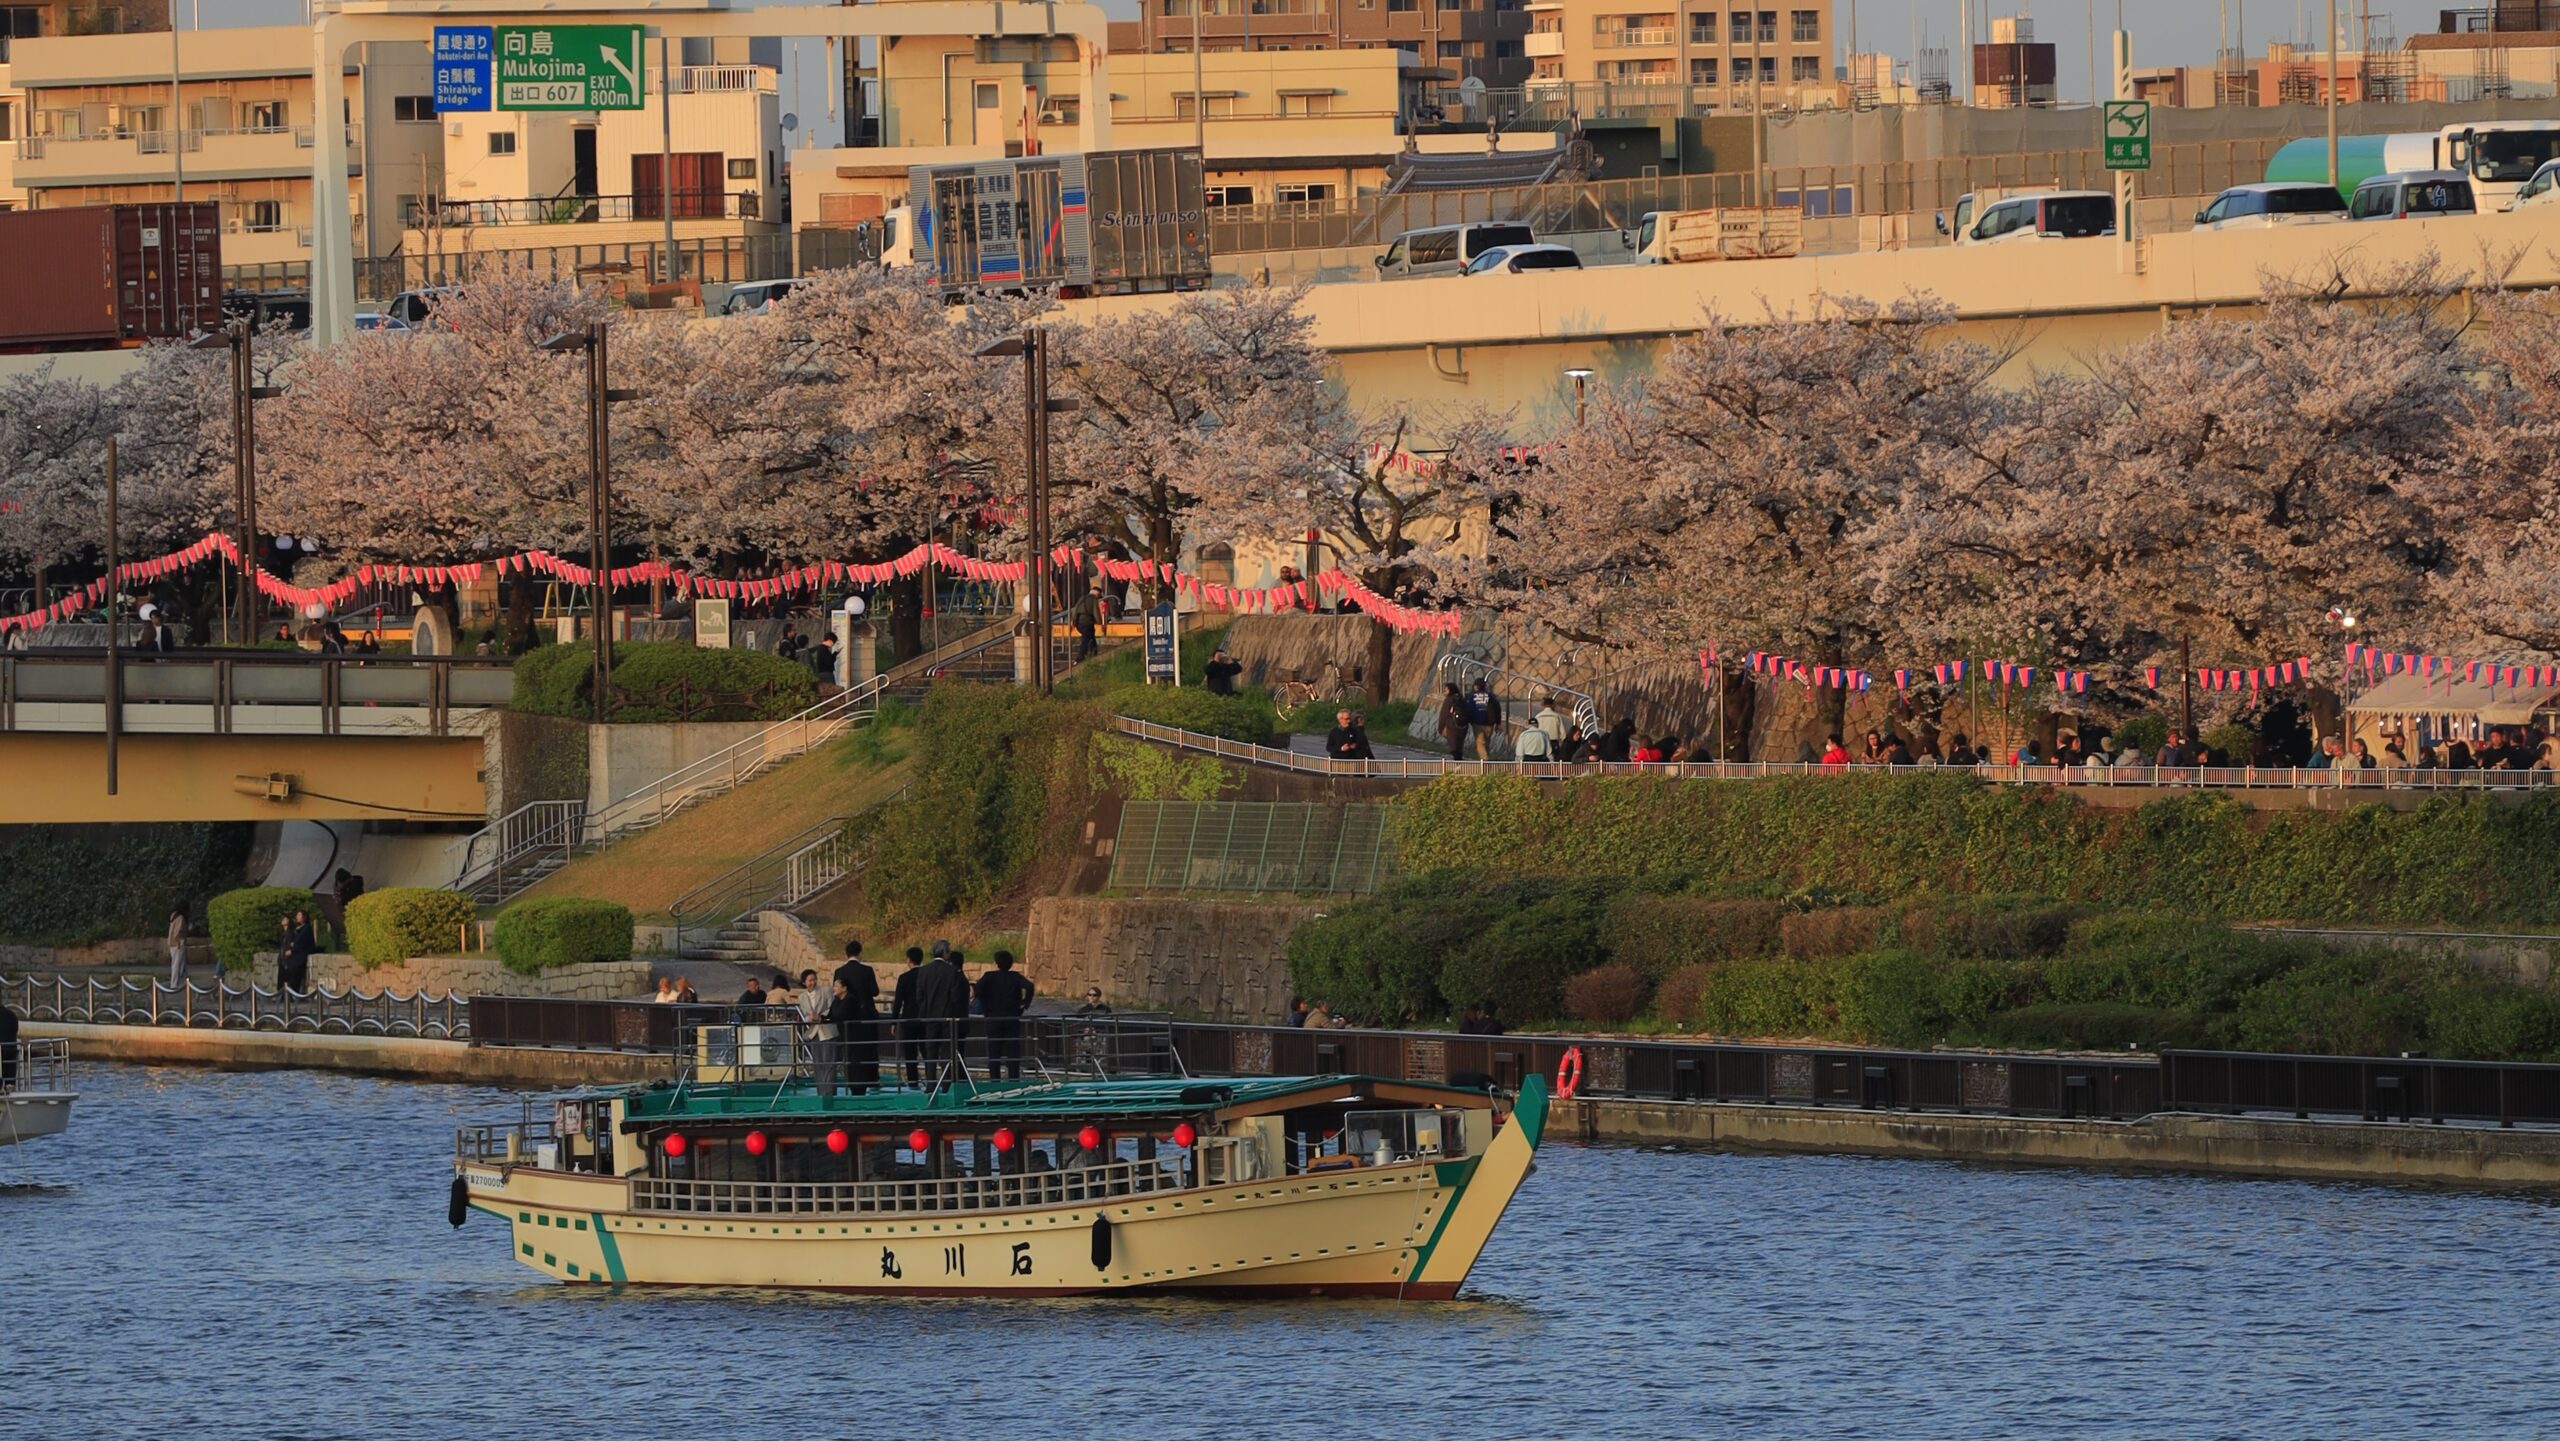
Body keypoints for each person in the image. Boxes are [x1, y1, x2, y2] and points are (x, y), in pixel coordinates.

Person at [975, 951, 1036, 1080]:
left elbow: (978, 989)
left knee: (994, 1051)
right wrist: (1024, 1004)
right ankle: (1013, 1078)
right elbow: (1029, 987)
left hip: (993, 1018)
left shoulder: (989, 976)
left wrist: (985, 1005)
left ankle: (995, 1079)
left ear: (997, 963)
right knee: (1013, 1050)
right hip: (1011, 1017)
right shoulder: (1015, 977)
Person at [913, 941, 971, 1072]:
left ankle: (931, 1081)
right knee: (946, 1051)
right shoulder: (952, 971)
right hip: (947, 1018)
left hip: (930, 1017)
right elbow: (955, 997)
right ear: (944, 952)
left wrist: (925, 1010)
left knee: (930, 1051)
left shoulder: (924, 970)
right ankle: (946, 1080)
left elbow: (919, 996)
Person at [832, 941, 879, 1090]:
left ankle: (852, 1080)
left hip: (847, 1016)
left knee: (851, 1051)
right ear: (860, 953)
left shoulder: (839, 972)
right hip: (866, 1015)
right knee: (870, 1049)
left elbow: (837, 994)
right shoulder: (867, 970)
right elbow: (875, 991)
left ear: (846, 954)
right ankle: (872, 1080)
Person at [892, 946, 929, 1085]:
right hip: (925, 1018)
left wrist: (894, 1021)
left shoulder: (904, 978)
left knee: (910, 1052)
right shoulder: (927, 976)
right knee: (927, 1051)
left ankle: (913, 1081)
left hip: (909, 1019)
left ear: (909, 960)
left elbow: (898, 1001)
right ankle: (931, 1078)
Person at [279, 909, 316, 995]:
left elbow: (301, 943)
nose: (297, 917)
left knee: (294, 967)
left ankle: (293, 991)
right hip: (296, 953)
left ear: (304, 917)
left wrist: (292, 950)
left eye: (299, 915)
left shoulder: (306, 929)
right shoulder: (298, 929)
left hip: (302, 954)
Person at [1466, 680, 1501, 759]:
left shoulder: (1472, 696)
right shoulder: (1491, 696)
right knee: (1487, 743)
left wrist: (1469, 721)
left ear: (1476, 686)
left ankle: (1484, 762)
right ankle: (1486, 758)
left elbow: (1469, 709)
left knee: (1480, 744)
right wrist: (1498, 723)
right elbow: (1497, 709)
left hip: (1477, 723)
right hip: (1490, 723)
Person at [1436, 683, 1469, 760]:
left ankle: (1458, 762)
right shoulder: (1462, 698)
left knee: (1453, 747)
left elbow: (1444, 714)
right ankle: (1459, 760)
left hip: (1451, 726)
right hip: (1463, 725)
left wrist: (1441, 728)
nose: (1444, 691)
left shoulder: (1449, 700)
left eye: (1446, 689)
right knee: (1459, 746)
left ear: (1450, 690)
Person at [1071, 587, 1103, 661]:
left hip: (1078, 622)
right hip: (1087, 622)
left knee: (1091, 637)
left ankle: (1094, 652)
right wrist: (1099, 621)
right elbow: (1096, 612)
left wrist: (1073, 621)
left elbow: (1075, 610)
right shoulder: (1094, 599)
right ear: (1097, 594)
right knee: (1086, 640)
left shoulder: (1082, 598)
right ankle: (1080, 656)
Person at [166, 908, 189, 991]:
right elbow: (178, 931)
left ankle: (181, 982)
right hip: (178, 944)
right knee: (178, 964)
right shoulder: (180, 918)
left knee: (178, 964)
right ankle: (175, 983)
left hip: (172, 944)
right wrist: (180, 940)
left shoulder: (174, 917)